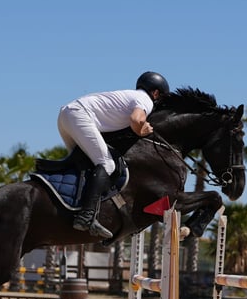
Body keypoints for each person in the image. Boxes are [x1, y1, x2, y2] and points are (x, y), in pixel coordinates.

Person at [57, 71, 170, 239]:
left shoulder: (131, 95)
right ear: (155, 93)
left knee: (86, 165)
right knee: (107, 165)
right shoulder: (146, 99)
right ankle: (86, 217)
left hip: (66, 115)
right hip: (79, 115)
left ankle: (78, 209)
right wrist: (142, 130)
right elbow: (136, 119)